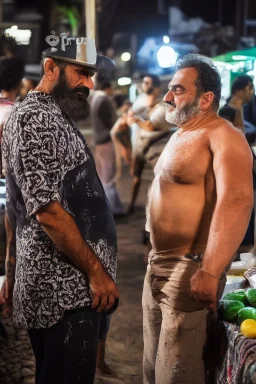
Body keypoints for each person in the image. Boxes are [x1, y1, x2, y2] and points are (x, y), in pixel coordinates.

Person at [2, 38, 119, 384]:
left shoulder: (52, 115)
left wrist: (12, 268)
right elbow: (47, 211)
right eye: (81, 72)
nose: (89, 83)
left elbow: (16, 205)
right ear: (51, 67)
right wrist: (97, 273)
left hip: (70, 291)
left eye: (92, 74)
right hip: (63, 293)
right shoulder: (35, 118)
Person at [142, 53, 253, 384]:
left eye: (177, 90)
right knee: (152, 368)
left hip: (190, 268)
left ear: (206, 99)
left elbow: (237, 200)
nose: (167, 97)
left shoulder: (224, 136)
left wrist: (210, 269)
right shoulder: (182, 133)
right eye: (169, 89)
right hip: (157, 265)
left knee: (175, 373)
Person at [90, 79, 125, 217]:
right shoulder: (103, 99)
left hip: (98, 139)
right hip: (106, 139)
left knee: (102, 174)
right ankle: (110, 209)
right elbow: (112, 121)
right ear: (108, 87)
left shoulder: (94, 98)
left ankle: (115, 207)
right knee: (108, 175)